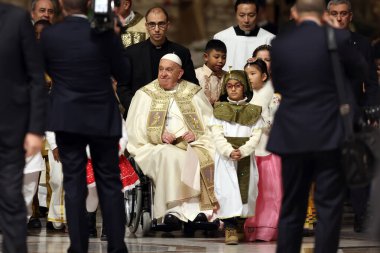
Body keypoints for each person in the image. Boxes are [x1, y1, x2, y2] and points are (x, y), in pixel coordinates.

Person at [266, 0, 368, 252]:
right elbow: (361, 71)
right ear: (324, 14)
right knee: (328, 207)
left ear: (294, 14)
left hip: (292, 133)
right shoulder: (338, 38)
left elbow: (280, 84)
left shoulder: (280, 44)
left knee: (292, 206)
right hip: (329, 132)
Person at [39, 0, 131, 251]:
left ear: (60, 3)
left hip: (68, 116)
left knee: (74, 183)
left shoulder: (50, 35)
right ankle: (116, 247)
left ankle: (77, 247)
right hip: (101, 115)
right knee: (109, 183)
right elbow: (123, 73)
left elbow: (47, 71)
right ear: (90, 3)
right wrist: (115, 36)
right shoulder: (104, 32)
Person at [126, 53, 216, 228]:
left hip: (192, 144)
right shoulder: (145, 94)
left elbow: (210, 123)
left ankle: (201, 212)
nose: (163, 74)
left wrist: (196, 133)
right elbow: (133, 129)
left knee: (207, 154)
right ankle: (172, 211)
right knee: (170, 155)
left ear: (180, 73)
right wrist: (157, 134)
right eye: (161, 69)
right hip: (156, 146)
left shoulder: (193, 92)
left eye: (169, 70)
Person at [327, 0, 380, 233]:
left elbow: (371, 81)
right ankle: (329, 217)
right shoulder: (319, 44)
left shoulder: (363, 44)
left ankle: (361, 214)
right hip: (325, 113)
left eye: (343, 14)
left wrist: (371, 109)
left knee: (357, 165)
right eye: (334, 14)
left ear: (351, 16)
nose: (339, 18)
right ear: (327, 16)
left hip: (355, 112)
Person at [0, 2, 46, 252]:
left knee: (10, 198)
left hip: (10, 129)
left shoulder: (16, 19)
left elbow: (35, 78)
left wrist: (35, 129)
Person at [210, 70, 262, 245]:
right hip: (226, 158)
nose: (233, 89)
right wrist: (228, 150)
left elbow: (256, 135)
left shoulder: (253, 111)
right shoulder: (219, 110)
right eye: (229, 86)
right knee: (227, 192)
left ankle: (240, 223)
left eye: (237, 86)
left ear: (244, 87)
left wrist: (244, 150)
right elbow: (216, 134)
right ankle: (230, 227)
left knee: (247, 192)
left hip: (245, 156)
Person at [117, 6, 199, 116]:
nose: (156, 29)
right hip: (138, 113)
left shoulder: (181, 52)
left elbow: (191, 85)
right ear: (146, 26)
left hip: (173, 115)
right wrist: (136, 108)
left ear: (168, 25)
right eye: (152, 24)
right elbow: (123, 87)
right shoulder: (131, 53)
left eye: (161, 24)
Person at [244, 58, 282, 242]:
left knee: (270, 192)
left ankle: (270, 228)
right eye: (246, 74)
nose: (249, 78)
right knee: (254, 192)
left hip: (268, 150)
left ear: (264, 76)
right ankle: (253, 227)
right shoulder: (245, 97)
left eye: (253, 74)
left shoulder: (273, 97)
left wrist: (259, 116)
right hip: (251, 151)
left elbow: (274, 123)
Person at [213, 0, 275, 70]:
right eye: (241, 15)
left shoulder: (270, 39)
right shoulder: (221, 38)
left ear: (257, 14)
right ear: (235, 14)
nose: (246, 20)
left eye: (251, 15)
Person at [195, 39, 227, 106]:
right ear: (206, 57)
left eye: (224, 57)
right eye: (216, 57)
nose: (220, 60)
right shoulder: (196, 75)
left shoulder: (227, 76)